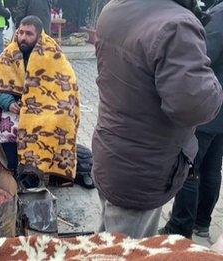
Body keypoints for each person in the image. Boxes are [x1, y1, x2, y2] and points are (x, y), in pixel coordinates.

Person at [92, 0, 223, 239]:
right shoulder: (177, 24)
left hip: (111, 151)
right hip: (143, 166)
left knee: (108, 239)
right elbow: (193, 105)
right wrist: (214, 84)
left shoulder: (115, 7)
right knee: (129, 251)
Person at [0, 15, 80, 188]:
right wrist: (8, 102)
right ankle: (16, 170)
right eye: (21, 32)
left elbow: (66, 85)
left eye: (29, 34)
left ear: (39, 35)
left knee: (60, 121)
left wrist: (52, 108)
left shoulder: (52, 52)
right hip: (16, 106)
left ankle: (47, 171)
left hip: (47, 105)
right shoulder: (9, 52)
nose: (23, 37)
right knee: (9, 128)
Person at [159, 0, 223, 239]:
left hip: (209, 106)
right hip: (219, 109)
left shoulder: (220, 15)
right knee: (212, 168)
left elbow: (201, 55)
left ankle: (180, 227)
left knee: (190, 167)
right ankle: (202, 223)